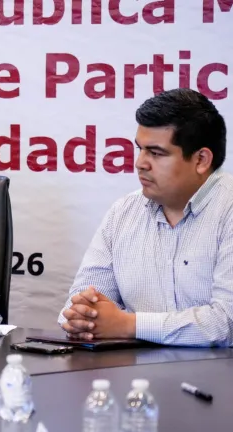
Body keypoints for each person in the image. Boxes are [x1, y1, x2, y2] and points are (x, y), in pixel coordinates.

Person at [58, 88, 233, 347]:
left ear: (201, 160)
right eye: (140, 149)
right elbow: (79, 302)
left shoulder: (228, 209)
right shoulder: (123, 212)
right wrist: (83, 317)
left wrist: (128, 325)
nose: (140, 163)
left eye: (156, 153)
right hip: (132, 368)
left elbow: (227, 323)